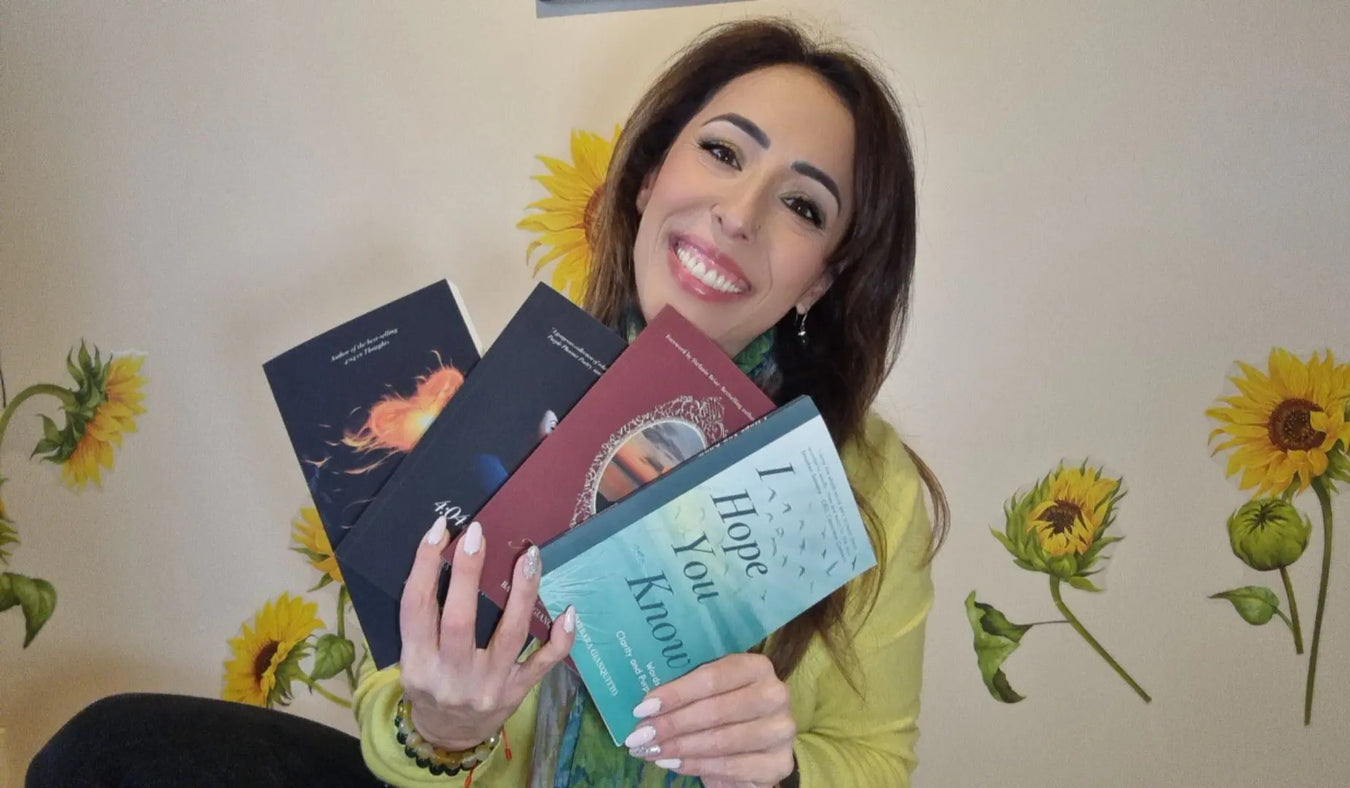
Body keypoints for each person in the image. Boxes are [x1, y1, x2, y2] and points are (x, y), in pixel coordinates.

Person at [28, 17, 947, 788]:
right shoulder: (521, 383)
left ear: (821, 280)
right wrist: (440, 726)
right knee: (108, 751)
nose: (739, 214)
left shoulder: (864, 483)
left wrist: (782, 769)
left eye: (803, 206)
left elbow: (875, 758)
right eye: (721, 152)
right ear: (646, 178)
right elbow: (397, 701)